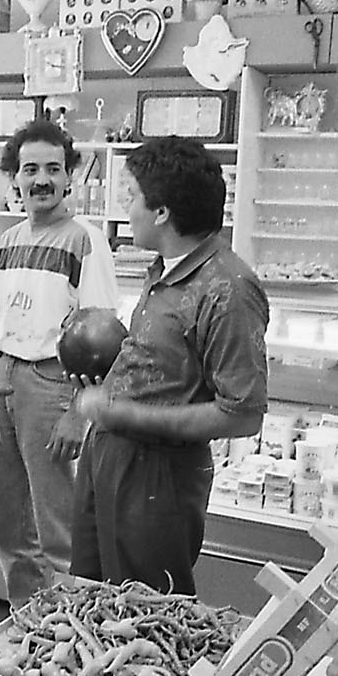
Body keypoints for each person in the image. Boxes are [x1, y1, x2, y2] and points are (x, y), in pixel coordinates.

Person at [72, 136, 268, 595]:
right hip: (110, 455)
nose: (127, 209)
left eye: (132, 197)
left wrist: (128, 413)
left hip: (158, 476)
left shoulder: (228, 287)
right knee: (89, 597)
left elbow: (243, 413)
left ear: (161, 212)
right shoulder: (163, 269)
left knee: (144, 612)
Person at [0, 120, 117, 604]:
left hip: (52, 385)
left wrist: (79, 411)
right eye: (30, 169)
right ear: (14, 178)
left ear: (70, 176)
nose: (42, 180)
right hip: (2, 382)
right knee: (8, 519)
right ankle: (27, 619)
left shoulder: (85, 240)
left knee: (57, 526)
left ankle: (71, 631)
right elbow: (1, 322)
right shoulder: (9, 240)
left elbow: (104, 338)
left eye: (53, 168)